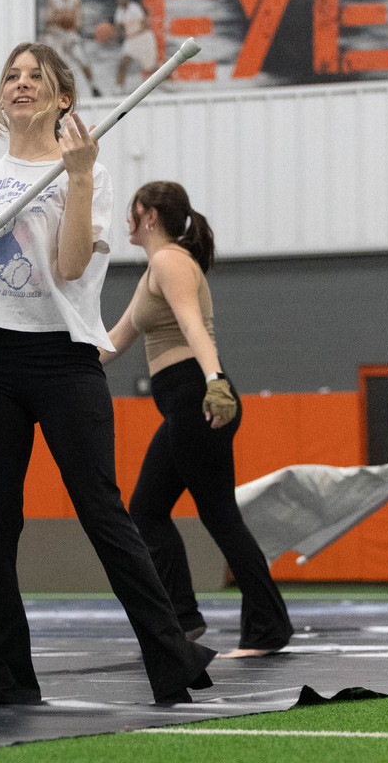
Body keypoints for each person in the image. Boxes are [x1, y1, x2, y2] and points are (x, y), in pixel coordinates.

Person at [0, 41, 214, 706]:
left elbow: (72, 267)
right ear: (0, 97)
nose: (20, 85)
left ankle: (172, 657)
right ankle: (0, 673)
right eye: (11, 77)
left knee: (103, 513)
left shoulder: (88, 173)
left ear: (62, 98)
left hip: (63, 361)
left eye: (35, 77)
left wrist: (77, 176)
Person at [101, 181, 293, 658]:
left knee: (219, 516)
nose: (126, 220)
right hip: (183, 402)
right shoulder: (157, 268)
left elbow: (191, 323)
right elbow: (114, 340)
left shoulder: (169, 262)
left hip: (198, 398)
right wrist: (40, 358)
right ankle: (183, 619)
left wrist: (215, 380)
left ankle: (268, 629)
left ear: (147, 214)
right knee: (146, 510)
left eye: (131, 212)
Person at [42, 0, 101, 97]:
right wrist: (63, 18)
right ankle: (55, 91)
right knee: (58, 64)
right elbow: (49, 20)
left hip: (70, 35)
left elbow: (77, 22)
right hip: (56, 35)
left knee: (82, 59)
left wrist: (64, 19)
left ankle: (93, 86)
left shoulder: (75, 0)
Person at [114, 0, 158, 93]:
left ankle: (167, 81)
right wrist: (117, 36)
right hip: (131, 41)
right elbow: (118, 27)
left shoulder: (134, 8)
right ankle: (119, 89)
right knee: (123, 63)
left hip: (143, 39)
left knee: (151, 68)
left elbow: (144, 25)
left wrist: (133, 33)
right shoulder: (119, 11)